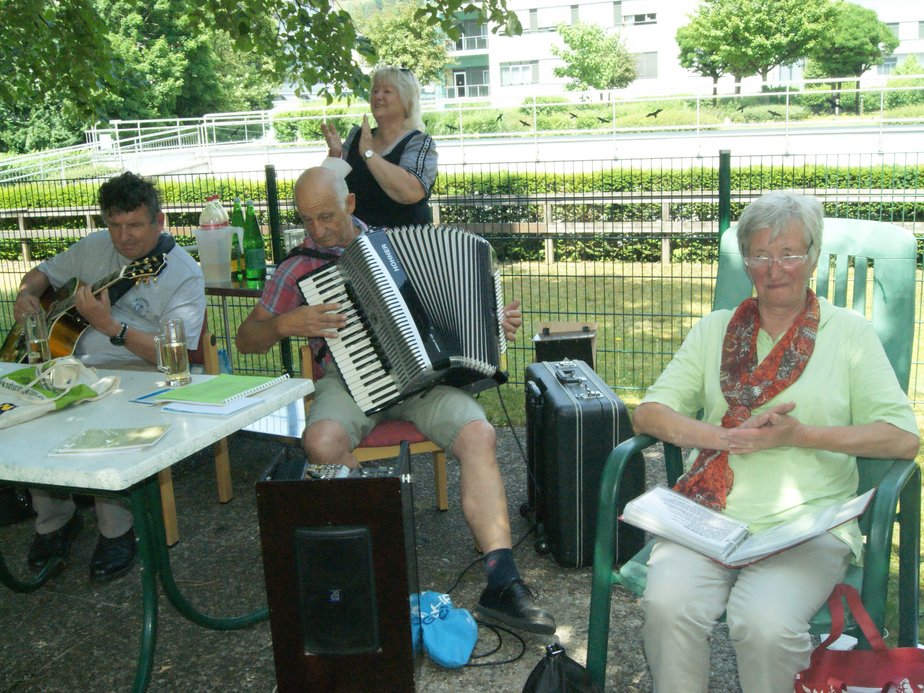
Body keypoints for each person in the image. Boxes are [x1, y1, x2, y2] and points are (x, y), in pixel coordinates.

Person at [236, 166, 556, 635]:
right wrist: (286, 324)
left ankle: (503, 580)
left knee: (479, 434)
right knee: (320, 442)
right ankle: (374, 563)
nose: (317, 230)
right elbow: (246, 339)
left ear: (349, 204)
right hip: (348, 383)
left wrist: (493, 325)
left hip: (422, 381)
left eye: (326, 216)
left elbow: (459, 314)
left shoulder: (395, 245)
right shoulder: (297, 267)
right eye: (306, 220)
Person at [631, 191, 920, 693]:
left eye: (789, 254)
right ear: (746, 262)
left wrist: (799, 436)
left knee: (765, 622)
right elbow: (649, 413)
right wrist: (726, 437)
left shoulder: (849, 335)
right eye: (760, 255)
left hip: (806, 523)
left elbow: (901, 438)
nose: (774, 269)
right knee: (668, 605)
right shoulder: (715, 330)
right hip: (708, 516)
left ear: (813, 257)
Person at [13, 171, 206, 581]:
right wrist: (27, 293)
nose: (124, 237)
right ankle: (55, 522)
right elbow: (43, 273)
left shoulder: (183, 272)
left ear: (159, 221)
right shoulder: (94, 246)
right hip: (69, 363)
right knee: (29, 414)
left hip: (138, 370)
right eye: (114, 225)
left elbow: (172, 356)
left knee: (104, 418)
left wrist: (110, 327)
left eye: (135, 225)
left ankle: (117, 531)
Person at [321, 65, 437, 228]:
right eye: (375, 91)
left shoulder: (419, 142)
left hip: (405, 241)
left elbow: (410, 192)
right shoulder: (356, 136)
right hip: (359, 240)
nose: (378, 96)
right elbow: (326, 190)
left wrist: (369, 154)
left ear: (407, 100)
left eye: (387, 91)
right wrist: (335, 155)